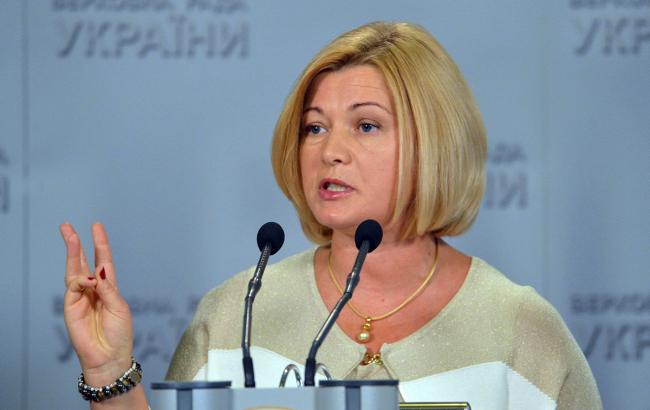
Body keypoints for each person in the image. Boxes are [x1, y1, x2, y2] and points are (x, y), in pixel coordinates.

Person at [60, 22, 602, 409]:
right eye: (315, 128)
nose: (330, 151)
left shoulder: (520, 330)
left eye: (366, 125)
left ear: (433, 144)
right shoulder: (234, 315)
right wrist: (110, 373)